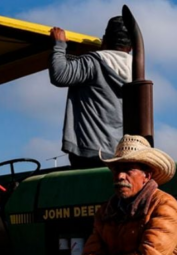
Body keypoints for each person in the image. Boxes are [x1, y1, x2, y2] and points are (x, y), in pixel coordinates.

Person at [50, 16, 132, 169]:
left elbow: (60, 75)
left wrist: (59, 45)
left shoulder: (92, 62)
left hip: (89, 151)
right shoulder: (137, 70)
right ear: (131, 47)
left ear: (104, 40)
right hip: (119, 153)